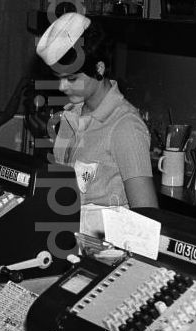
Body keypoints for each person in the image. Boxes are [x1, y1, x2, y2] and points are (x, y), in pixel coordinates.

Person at [36, 12, 157, 209]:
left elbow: (147, 214)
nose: (61, 87)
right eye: (58, 78)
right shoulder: (71, 115)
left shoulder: (125, 127)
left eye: (72, 78)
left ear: (99, 68)